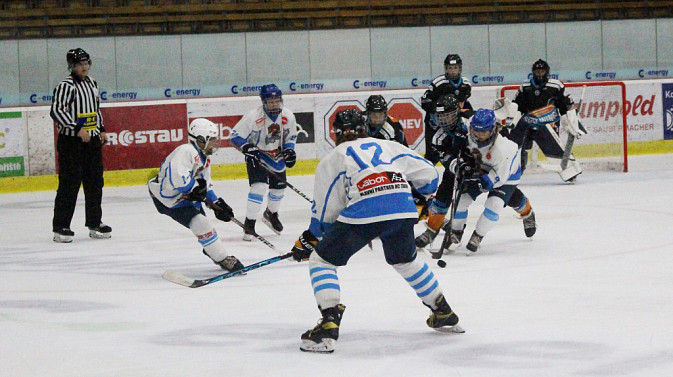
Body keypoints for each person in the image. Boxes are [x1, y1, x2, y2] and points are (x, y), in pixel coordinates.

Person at [290, 109, 463, 354]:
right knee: (406, 260)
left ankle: (328, 325)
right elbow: (429, 174)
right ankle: (443, 311)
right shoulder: (386, 145)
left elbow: (326, 212)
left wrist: (313, 238)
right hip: (403, 209)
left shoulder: (333, 158)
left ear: (335, 133)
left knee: (322, 259)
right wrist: (420, 196)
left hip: (365, 211)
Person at [415, 96, 537, 250]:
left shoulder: (473, 123)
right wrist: (460, 166)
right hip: (469, 165)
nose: (445, 120)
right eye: (441, 117)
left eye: (449, 115)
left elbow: (501, 160)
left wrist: (482, 179)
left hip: (502, 168)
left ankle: (527, 214)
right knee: (446, 194)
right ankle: (436, 230)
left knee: (504, 199)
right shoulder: (440, 138)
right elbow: (446, 159)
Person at [148, 118, 244, 272]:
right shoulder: (186, 151)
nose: (214, 144)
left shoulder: (204, 158)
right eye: (211, 140)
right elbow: (178, 180)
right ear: (199, 140)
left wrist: (217, 203)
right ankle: (221, 257)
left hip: (185, 197)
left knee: (203, 224)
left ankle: (211, 249)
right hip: (169, 199)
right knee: (201, 223)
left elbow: (205, 184)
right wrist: (196, 189)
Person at [50, 48, 110, 243]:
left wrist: (101, 129)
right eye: (80, 64)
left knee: (95, 183)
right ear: (72, 66)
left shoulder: (92, 83)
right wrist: (76, 129)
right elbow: (57, 111)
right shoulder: (66, 86)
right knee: (69, 184)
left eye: (86, 63)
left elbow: (95, 108)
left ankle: (95, 222)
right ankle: (61, 226)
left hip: (91, 142)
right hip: (71, 143)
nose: (84, 67)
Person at [446, 109, 522, 252]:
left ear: (493, 129)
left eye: (484, 132)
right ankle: (456, 233)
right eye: (476, 130)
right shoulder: (470, 130)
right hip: (480, 169)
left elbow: (497, 179)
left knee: (495, 204)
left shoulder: (505, 150)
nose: (479, 135)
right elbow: (464, 117)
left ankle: (478, 236)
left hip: (506, 175)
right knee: (461, 201)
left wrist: (481, 180)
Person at [498, 59, 584, 182]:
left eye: (542, 71)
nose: (539, 74)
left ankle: (570, 171)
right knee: (517, 144)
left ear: (547, 72)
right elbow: (518, 105)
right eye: (537, 71)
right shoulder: (526, 86)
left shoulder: (556, 85)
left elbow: (566, 104)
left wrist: (569, 120)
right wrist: (512, 117)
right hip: (528, 121)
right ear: (533, 72)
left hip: (549, 121)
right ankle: (515, 169)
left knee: (552, 145)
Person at [230, 84, 298, 240]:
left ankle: (270, 214)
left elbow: (290, 137)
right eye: (270, 101)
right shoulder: (253, 116)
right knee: (258, 187)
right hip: (257, 154)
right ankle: (250, 224)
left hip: (276, 155)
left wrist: (289, 150)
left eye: (277, 100)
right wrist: (247, 147)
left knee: (279, 189)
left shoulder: (288, 116)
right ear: (263, 101)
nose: (274, 104)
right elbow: (234, 136)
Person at [420, 54, 474, 165]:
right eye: (450, 68)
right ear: (446, 68)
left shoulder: (466, 84)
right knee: (432, 155)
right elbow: (425, 101)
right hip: (434, 124)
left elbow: (464, 104)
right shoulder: (438, 83)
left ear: (460, 68)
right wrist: (440, 110)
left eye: (455, 68)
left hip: (454, 124)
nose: (453, 71)